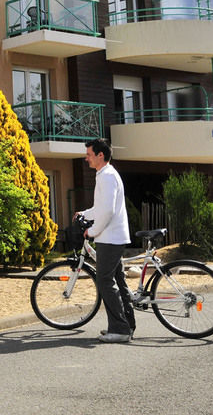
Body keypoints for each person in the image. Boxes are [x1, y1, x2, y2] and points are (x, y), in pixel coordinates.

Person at [76, 138, 134, 343]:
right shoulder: (106, 175)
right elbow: (101, 208)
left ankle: (120, 329)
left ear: (101, 155)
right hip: (112, 236)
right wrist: (84, 213)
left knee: (105, 281)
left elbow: (107, 211)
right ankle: (127, 325)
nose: (86, 158)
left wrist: (92, 231)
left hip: (110, 238)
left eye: (89, 154)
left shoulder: (107, 177)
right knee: (117, 280)